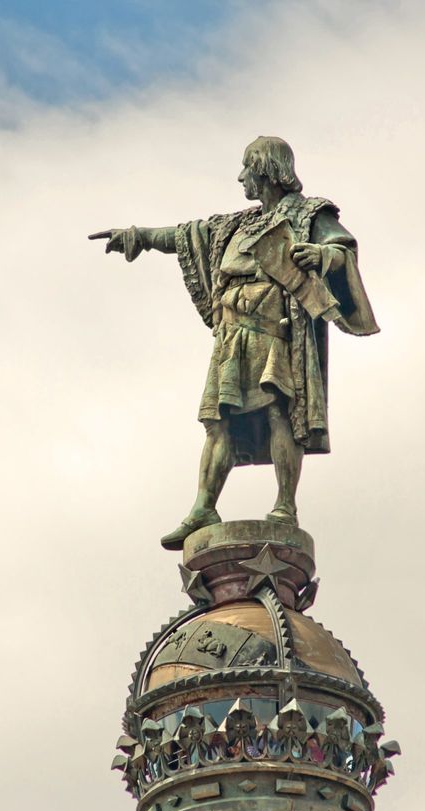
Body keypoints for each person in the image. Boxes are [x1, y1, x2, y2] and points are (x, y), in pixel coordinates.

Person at [91, 136, 378, 549]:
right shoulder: (236, 224)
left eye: (246, 168)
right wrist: (137, 236)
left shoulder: (309, 213)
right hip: (231, 337)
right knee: (218, 422)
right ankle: (203, 508)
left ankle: (285, 506)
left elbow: (342, 248)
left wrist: (321, 255)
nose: (241, 177)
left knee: (281, 412)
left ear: (266, 169)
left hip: (275, 332)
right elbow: (188, 235)